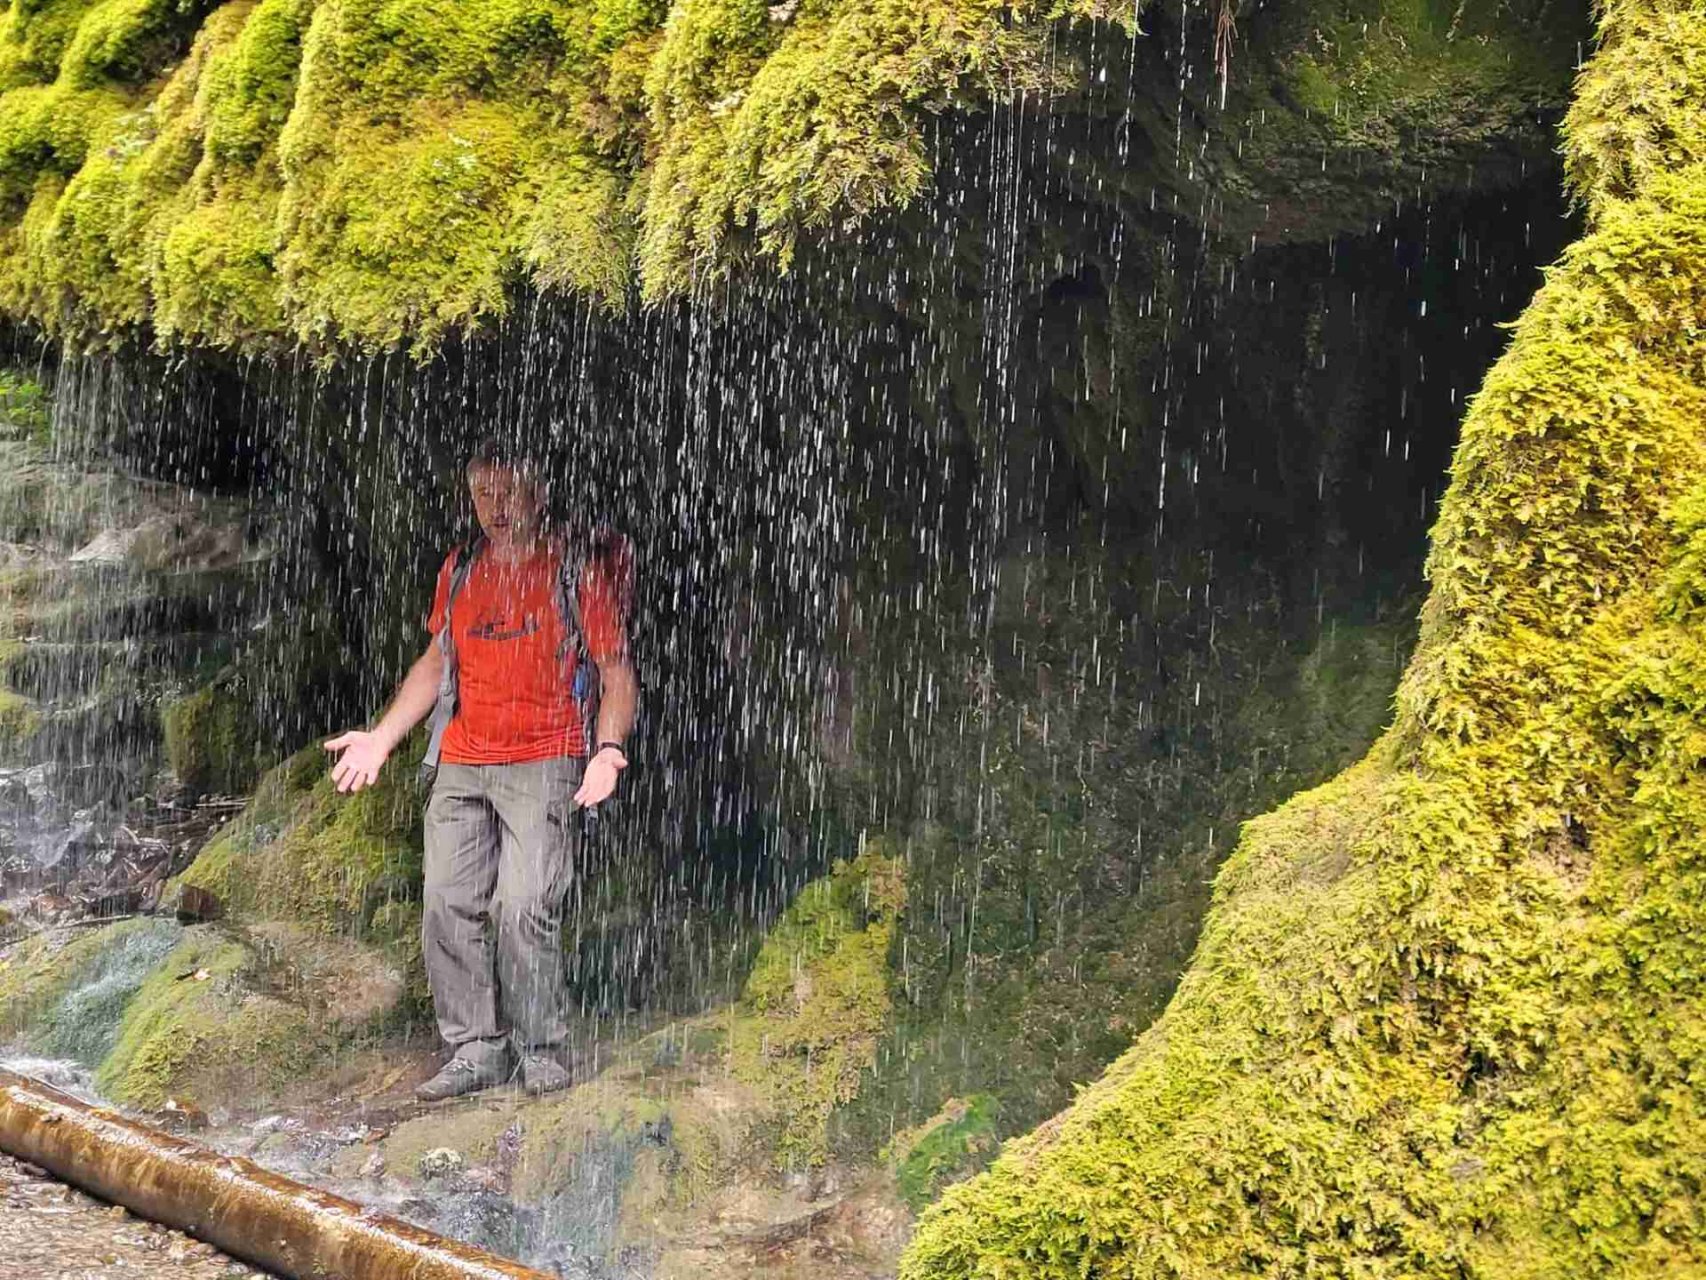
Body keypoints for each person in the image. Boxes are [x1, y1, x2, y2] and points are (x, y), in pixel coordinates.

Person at [323, 439, 636, 1100]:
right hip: (464, 758)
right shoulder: (461, 568)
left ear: (539, 493)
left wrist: (607, 751)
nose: (495, 507)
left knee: (523, 905)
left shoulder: (573, 568)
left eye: (509, 491)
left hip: (546, 756)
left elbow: (616, 672)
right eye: (483, 494)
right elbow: (436, 662)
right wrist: (381, 738)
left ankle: (542, 1049)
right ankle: (474, 1049)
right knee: (446, 904)